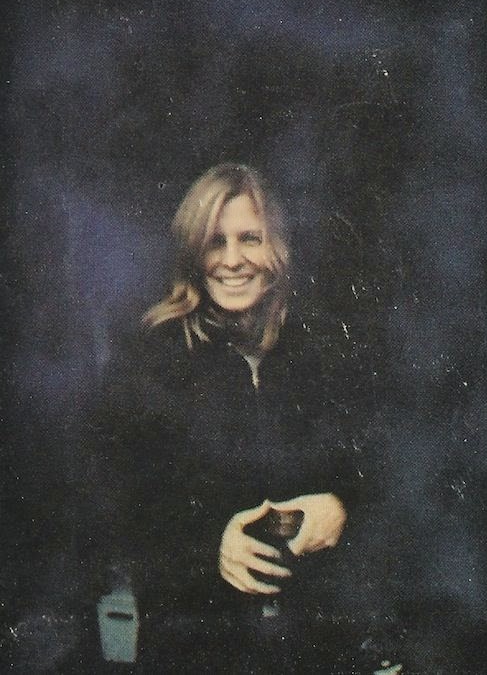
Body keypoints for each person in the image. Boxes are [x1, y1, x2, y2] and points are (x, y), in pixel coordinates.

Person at [88, 163, 368, 672]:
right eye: (215, 242)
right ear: (193, 254)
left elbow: (380, 472)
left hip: (314, 645)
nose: (233, 260)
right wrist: (207, 549)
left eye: (250, 239)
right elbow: (113, 509)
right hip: (197, 647)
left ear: (277, 249)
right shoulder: (149, 357)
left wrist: (342, 505)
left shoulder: (325, 347)